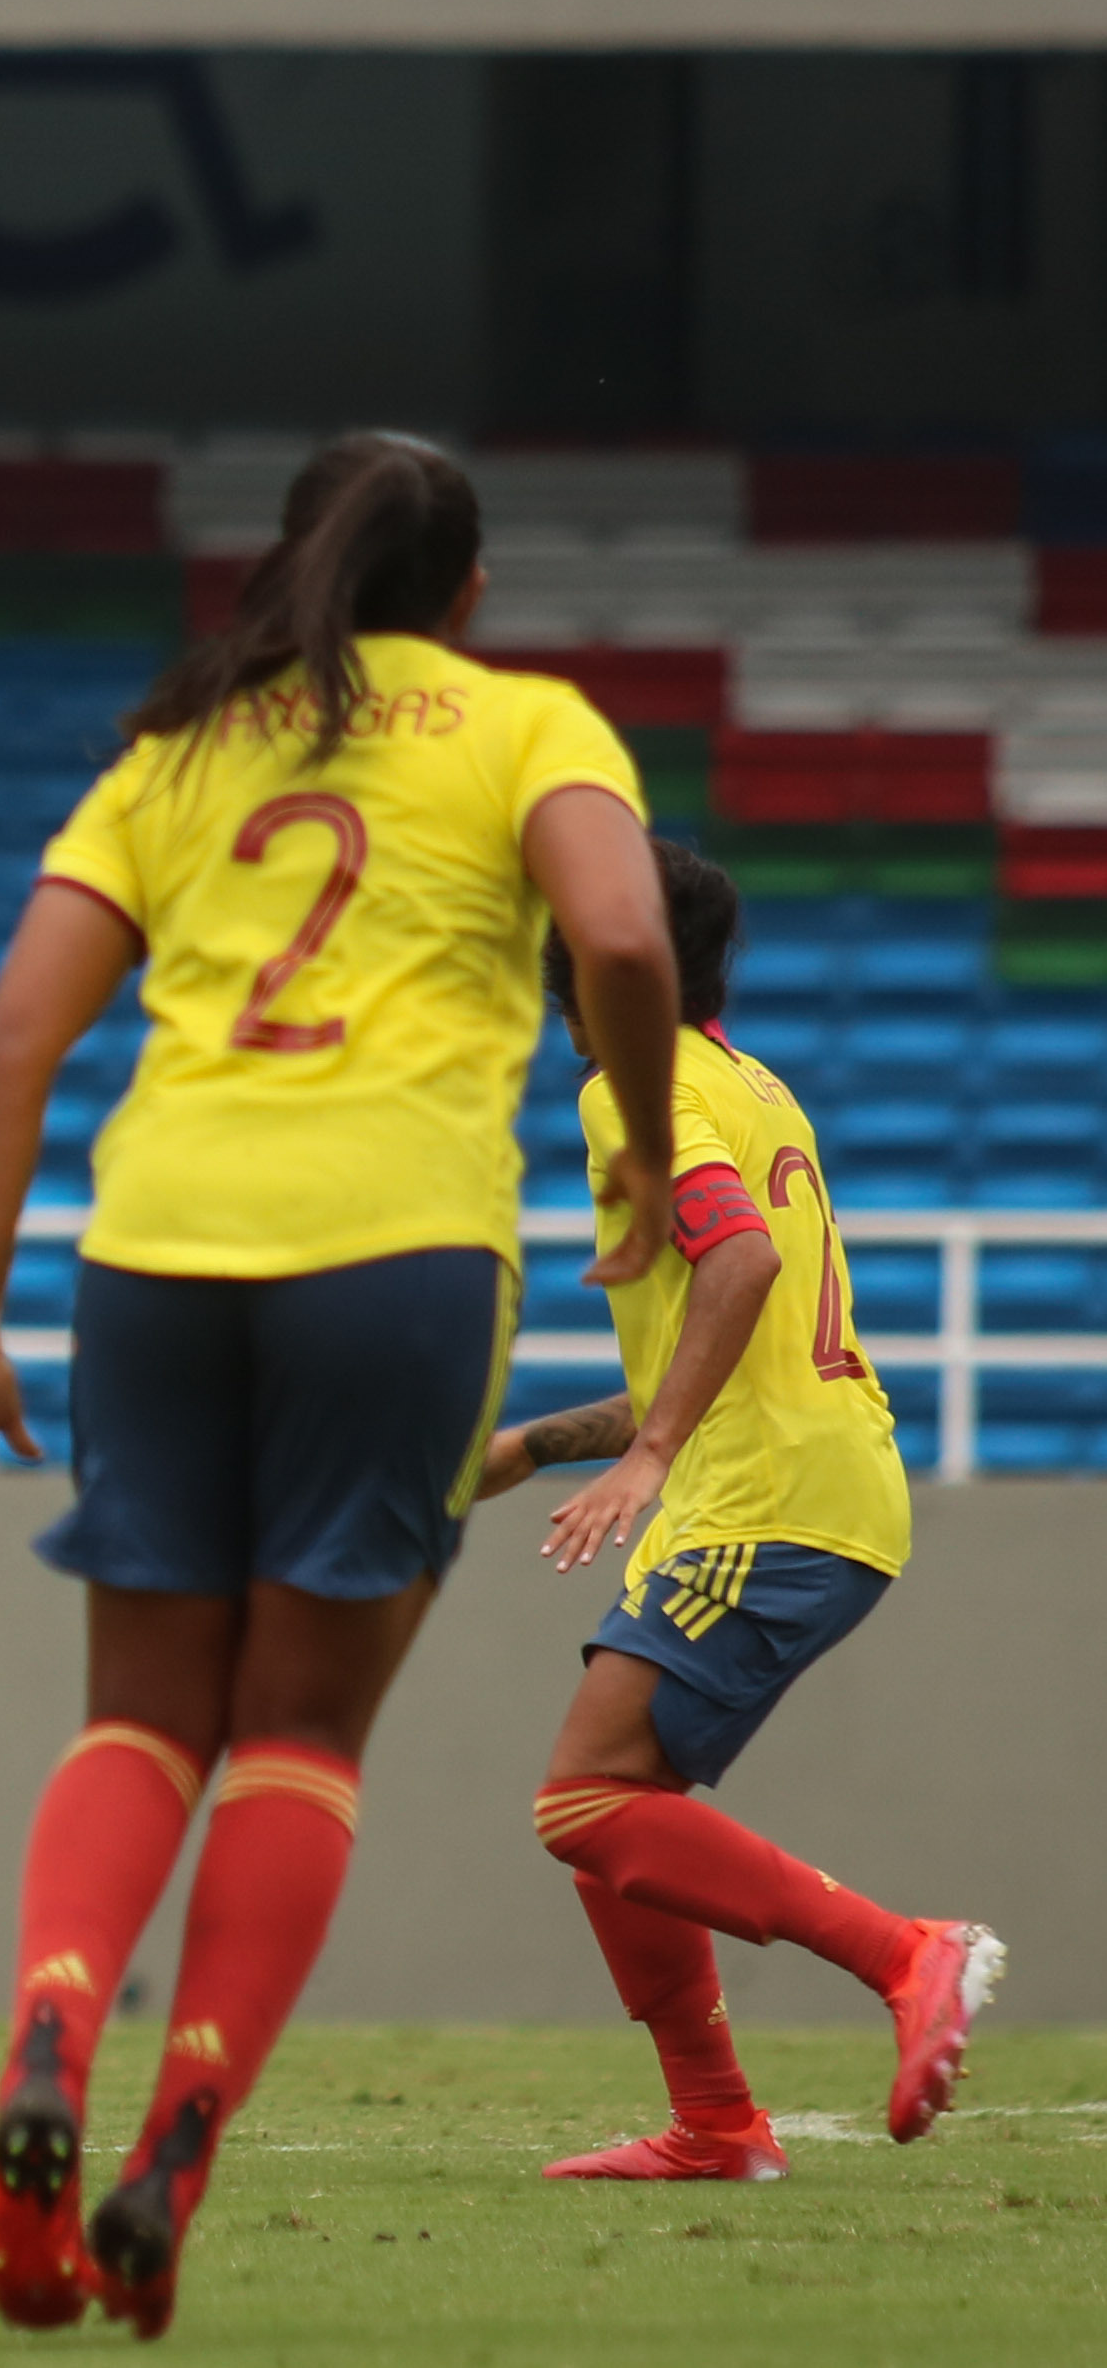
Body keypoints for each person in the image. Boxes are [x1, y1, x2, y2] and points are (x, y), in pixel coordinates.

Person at [0, 431, 684, 2339]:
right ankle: (175, 2143)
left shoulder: (181, 751)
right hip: (401, 1259)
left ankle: (51, 2029)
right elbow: (621, 933)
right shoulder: (530, 729)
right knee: (298, 1738)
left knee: (138, 1718)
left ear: (294, 559)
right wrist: (653, 1160)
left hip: (158, 1256)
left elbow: (12, 1041)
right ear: (470, 592)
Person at [481, 842, 1002, 2182]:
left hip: (765, 1494)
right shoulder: (747, 1082)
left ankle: (909, 1953)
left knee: (585, 1800)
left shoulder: (630, 1085)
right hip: (809, 1474)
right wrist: (540, 1444)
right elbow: (719, 1337)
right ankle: (716, 2124)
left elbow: (743, 1261)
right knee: (617, 1820)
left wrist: (650, 1454)